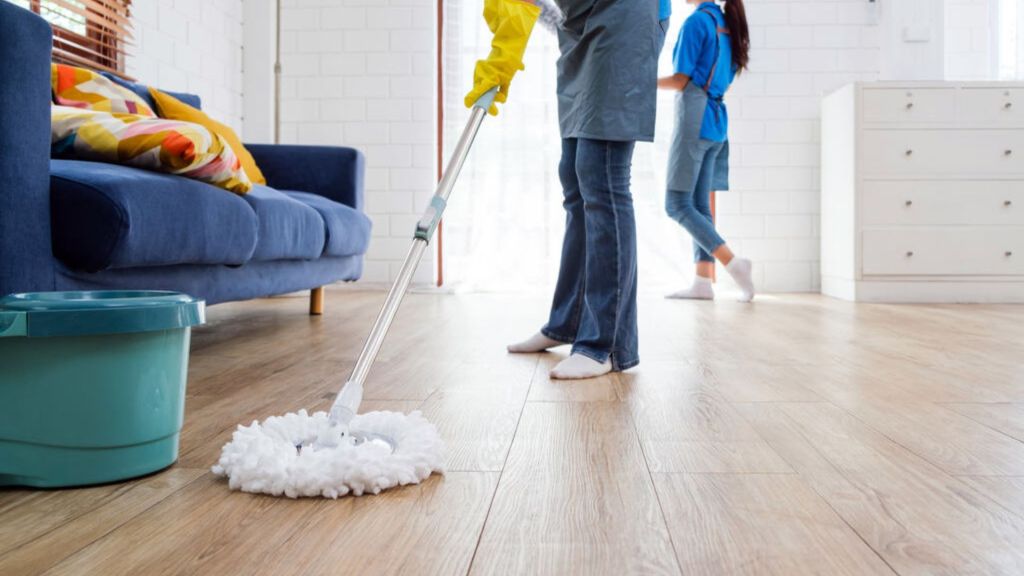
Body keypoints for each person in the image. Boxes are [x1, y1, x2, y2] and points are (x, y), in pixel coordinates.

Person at [466, 0, 670, 379]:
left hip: (624, 17)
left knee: (602, 175)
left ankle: (603, 345)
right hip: (582, 22)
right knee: (576, 179)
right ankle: (569, 322)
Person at [658, 0, 755, 302]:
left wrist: (639, 81)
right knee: (700, 205)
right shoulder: (725, 23)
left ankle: (733, 263)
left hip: (696, 119)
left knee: (676, 203)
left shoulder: (697, 22)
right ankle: (702, 280)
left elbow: (680, 80)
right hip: (716, 125)